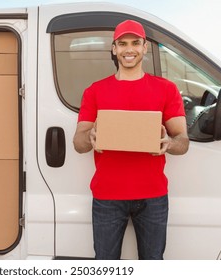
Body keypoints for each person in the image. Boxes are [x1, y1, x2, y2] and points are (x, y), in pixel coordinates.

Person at [73, 19, 189, 260]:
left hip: (153, 196)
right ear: (114, 48)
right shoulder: (95, 91)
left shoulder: (166, 89)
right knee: (105, 266)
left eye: (136, 43)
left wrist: (169, 143)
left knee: (152, 264)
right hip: (107, 196)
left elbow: (183, 141)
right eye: (122, 43)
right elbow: (78, 143)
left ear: (144, 47)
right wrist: (90, 136)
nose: (129, 49)